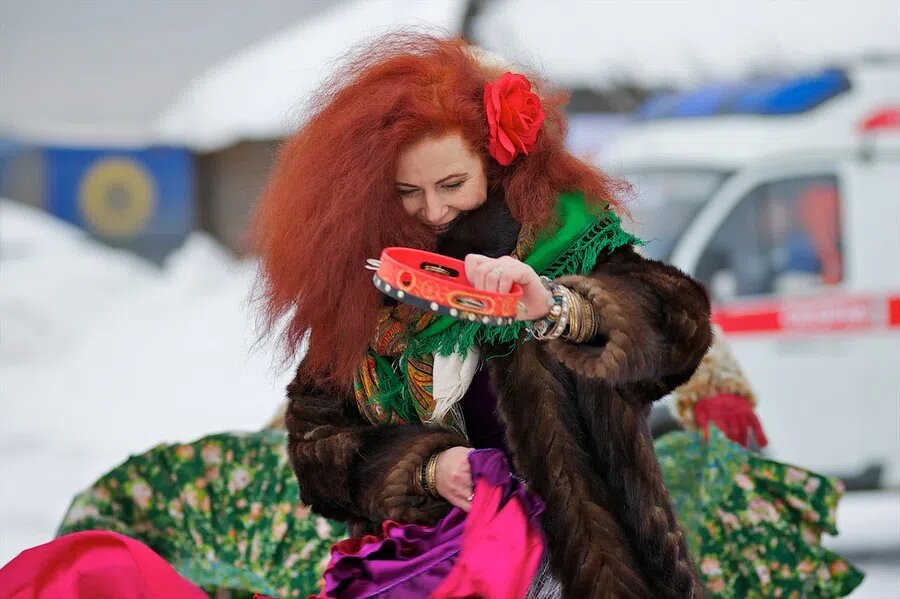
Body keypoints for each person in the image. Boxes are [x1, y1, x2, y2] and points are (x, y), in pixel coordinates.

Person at [53, 33, 861, 599]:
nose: (431, 212)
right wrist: (420, 469)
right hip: (428, 568)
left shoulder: (571, 247)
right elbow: (318, 439)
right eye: (407, 194)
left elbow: (672, 321)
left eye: (452, 185)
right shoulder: (371, 285)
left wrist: (559, 310)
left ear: (498, 163)